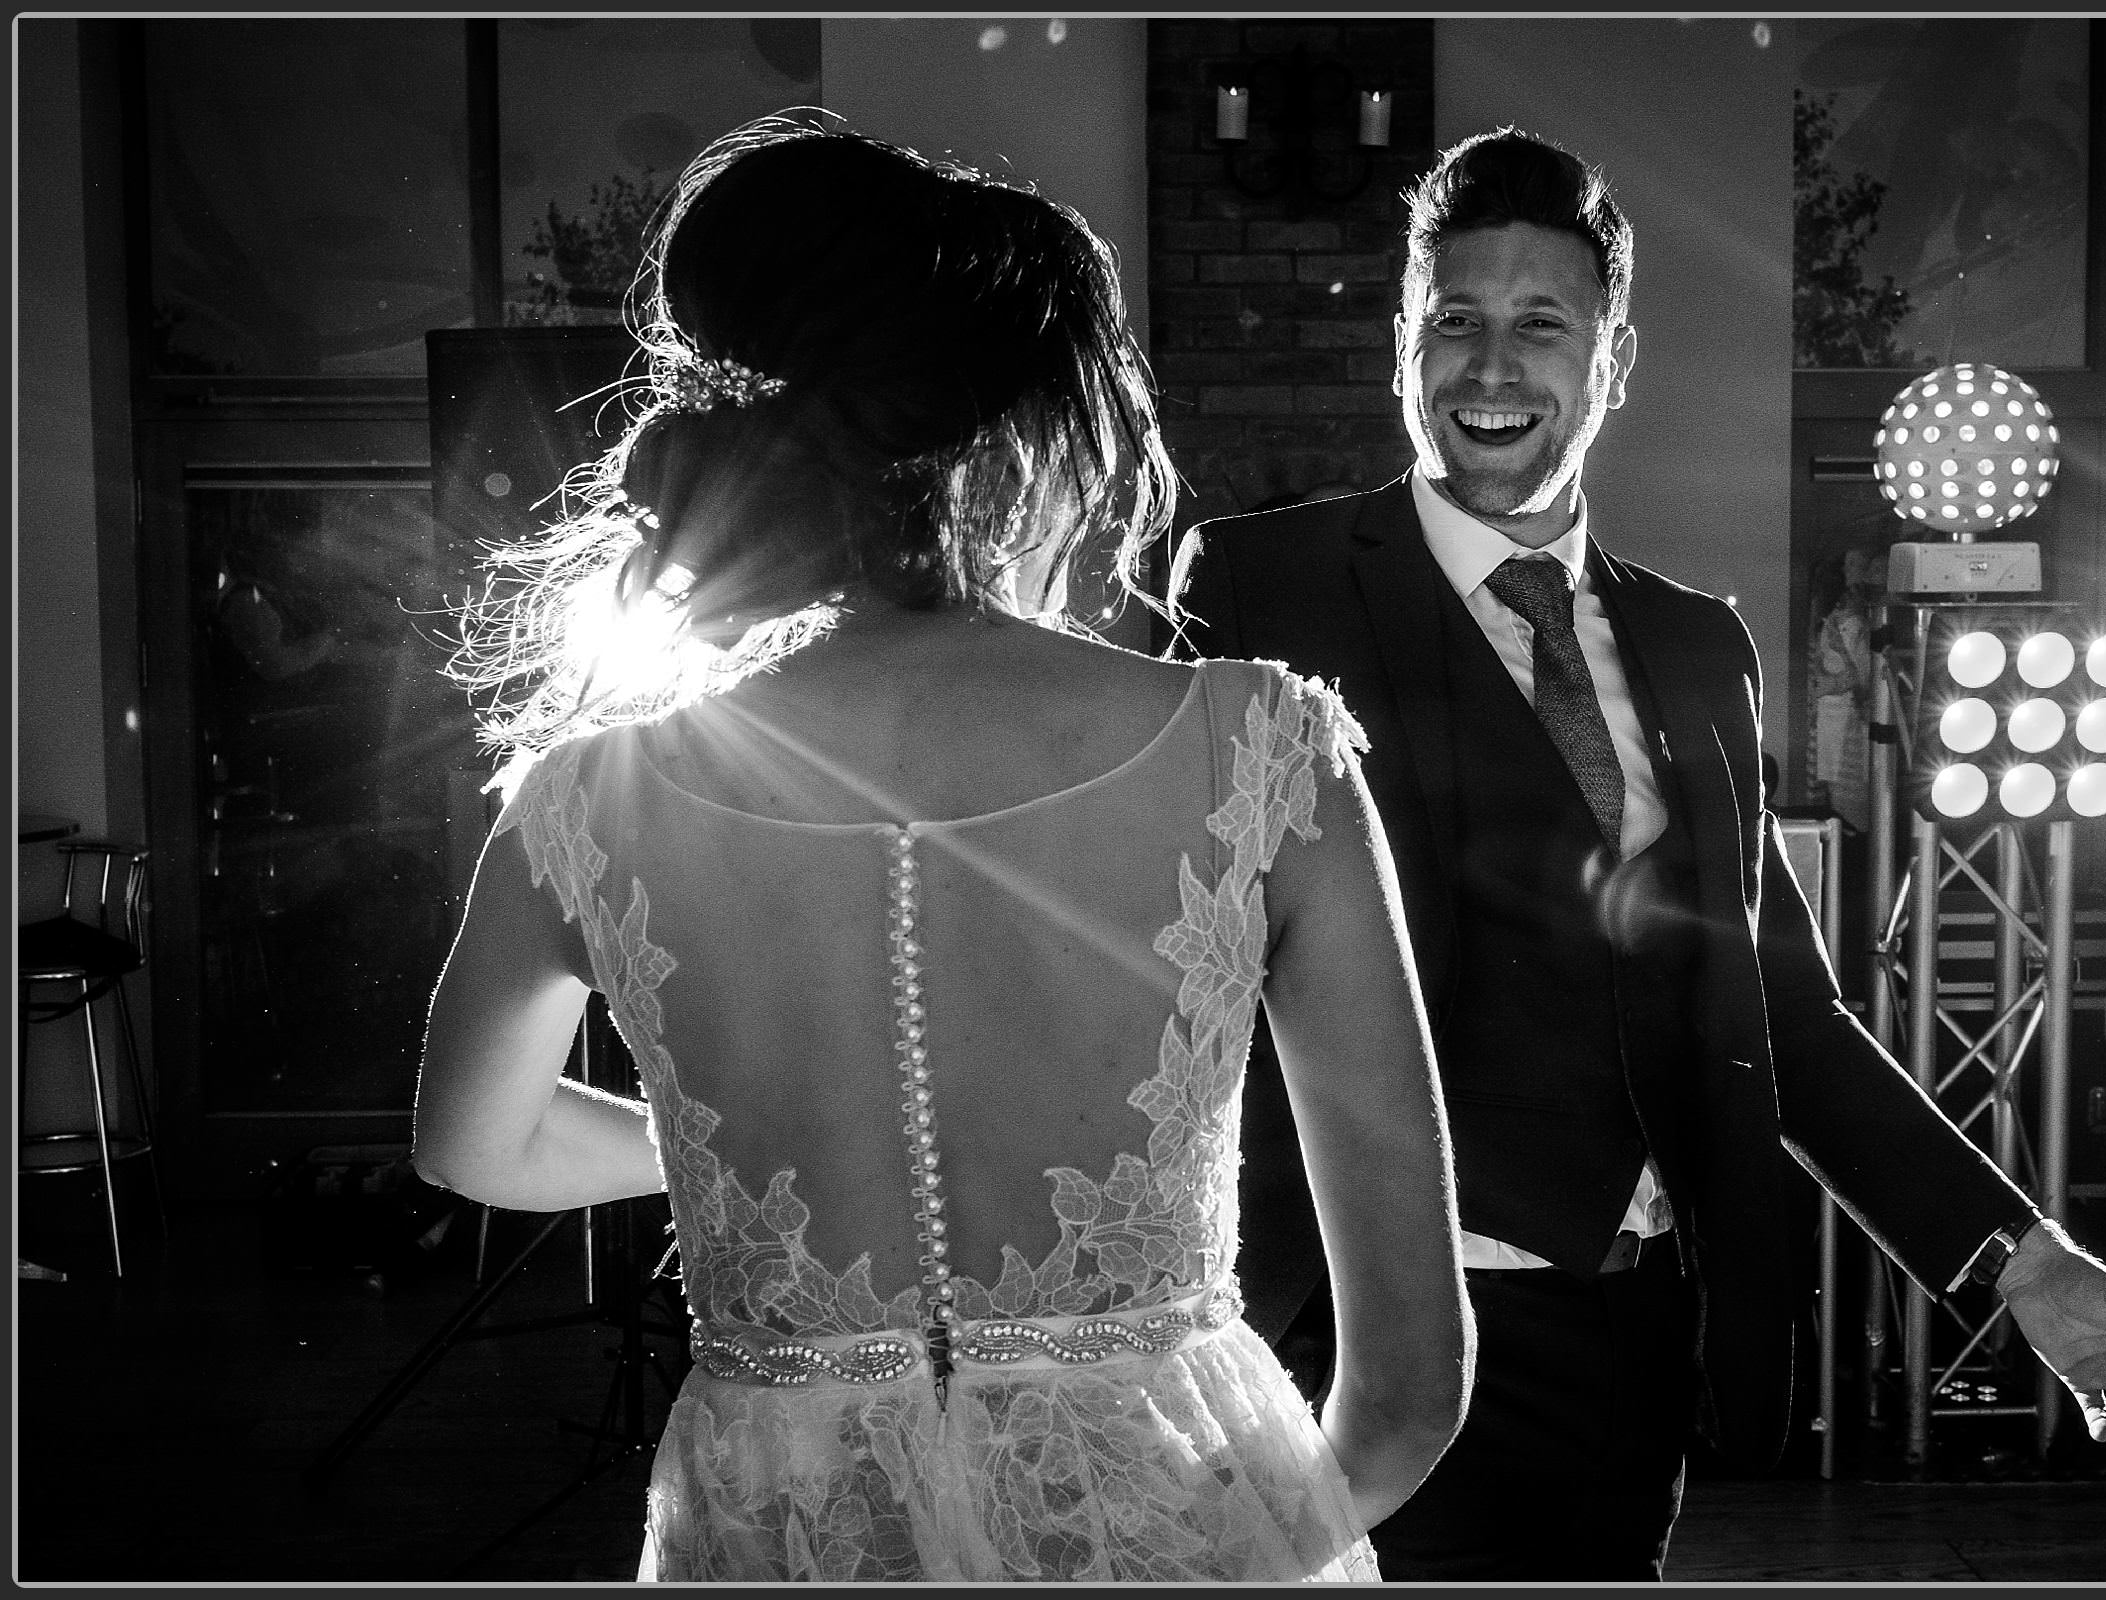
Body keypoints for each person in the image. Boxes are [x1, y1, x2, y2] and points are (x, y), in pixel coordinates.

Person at [412, 116, 1470, 1583]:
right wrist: (1236, 1551)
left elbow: (470, 1143)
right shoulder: (1260, 753)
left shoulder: (590, 800)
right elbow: (1414, 1391)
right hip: (1176, 1535)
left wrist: (739, 1156)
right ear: (1021, 432)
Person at [1169, 126, 2106, 1582]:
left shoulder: (1695, 644)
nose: (1491, 370)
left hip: (1626, 1333)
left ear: (1613, 360)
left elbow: (1783, 1008)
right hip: (1353, 1332)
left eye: (1542, 326)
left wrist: (2017, 1252)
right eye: (1452, 322)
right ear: (1403, 344)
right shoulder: (1257, 584)